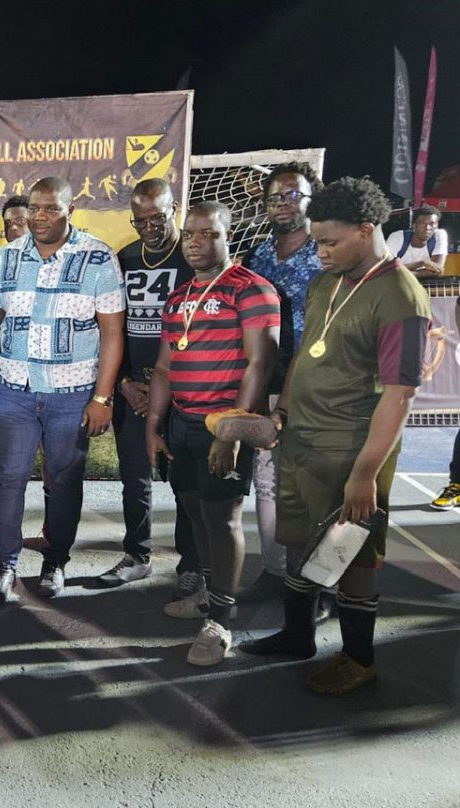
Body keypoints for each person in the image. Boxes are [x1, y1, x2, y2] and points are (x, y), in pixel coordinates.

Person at [240, 176, 430, 694]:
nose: (319, 252)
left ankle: (359, 659)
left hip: (352, 451)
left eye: (329, 242)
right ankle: (298, 637)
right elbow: (307, 353)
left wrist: (365, 474)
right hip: (303, 440)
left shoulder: (401, 299)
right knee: (303, 545)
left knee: (353, 558)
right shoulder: (330, 281)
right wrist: (284, 412)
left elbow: (399, 396)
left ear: (367, 230)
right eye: (317, 241)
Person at [0, 177, 125, 603]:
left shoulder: (97, 257)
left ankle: (55, 560)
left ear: (69, 210)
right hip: (14, 390)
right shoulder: (6, 258)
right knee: (9, 479)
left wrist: (101, 397)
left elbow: (112, 332)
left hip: (73, 394)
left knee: (63, 481)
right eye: (34, 210)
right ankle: (3, 566)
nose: (40, 217)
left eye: (50, 209)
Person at [146, 201, 280, 667]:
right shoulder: (179, 295)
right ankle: (207, 591)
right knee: (194, 511)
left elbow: (261, 362)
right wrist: (153, 426)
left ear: (229, 237)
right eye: (190, 236)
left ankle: (222, 620)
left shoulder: (252, 289)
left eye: (208, 234)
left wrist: (233, 427)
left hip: (222, 426)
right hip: (181, 422)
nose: (197, 243)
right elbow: (163, 368)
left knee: (223, 519)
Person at [98, 178, 202, 596]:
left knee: (184, 481)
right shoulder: (124, 258)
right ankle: (137, 555)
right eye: (140, 221)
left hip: (181, 390)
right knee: (134, 478)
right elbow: (111, 327)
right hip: (133, 390)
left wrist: (170, 387)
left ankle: (191, 563)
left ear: (174, 208)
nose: (149, 227)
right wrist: (123, 383)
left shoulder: (193, 258)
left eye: (157, 217)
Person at [238, 162, 324, 605]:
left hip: (316, 388)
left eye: (294, 195)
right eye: (275, 197)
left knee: (311, 490)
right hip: (268, 382)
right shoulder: (259, 255)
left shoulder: (326, 253)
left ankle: (321, 584)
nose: (284, 204)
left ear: (312, 199)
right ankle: (275, 573)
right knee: (267, 486)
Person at [386, 205, 448, 280]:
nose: (427, 228)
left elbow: (437, 270)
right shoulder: (397, 237)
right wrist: (422, 263)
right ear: (414, 226)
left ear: (437, 226)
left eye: (432, 224)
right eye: (423, 223)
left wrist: (400, 273)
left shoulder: (439, 235)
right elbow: (386, 270)